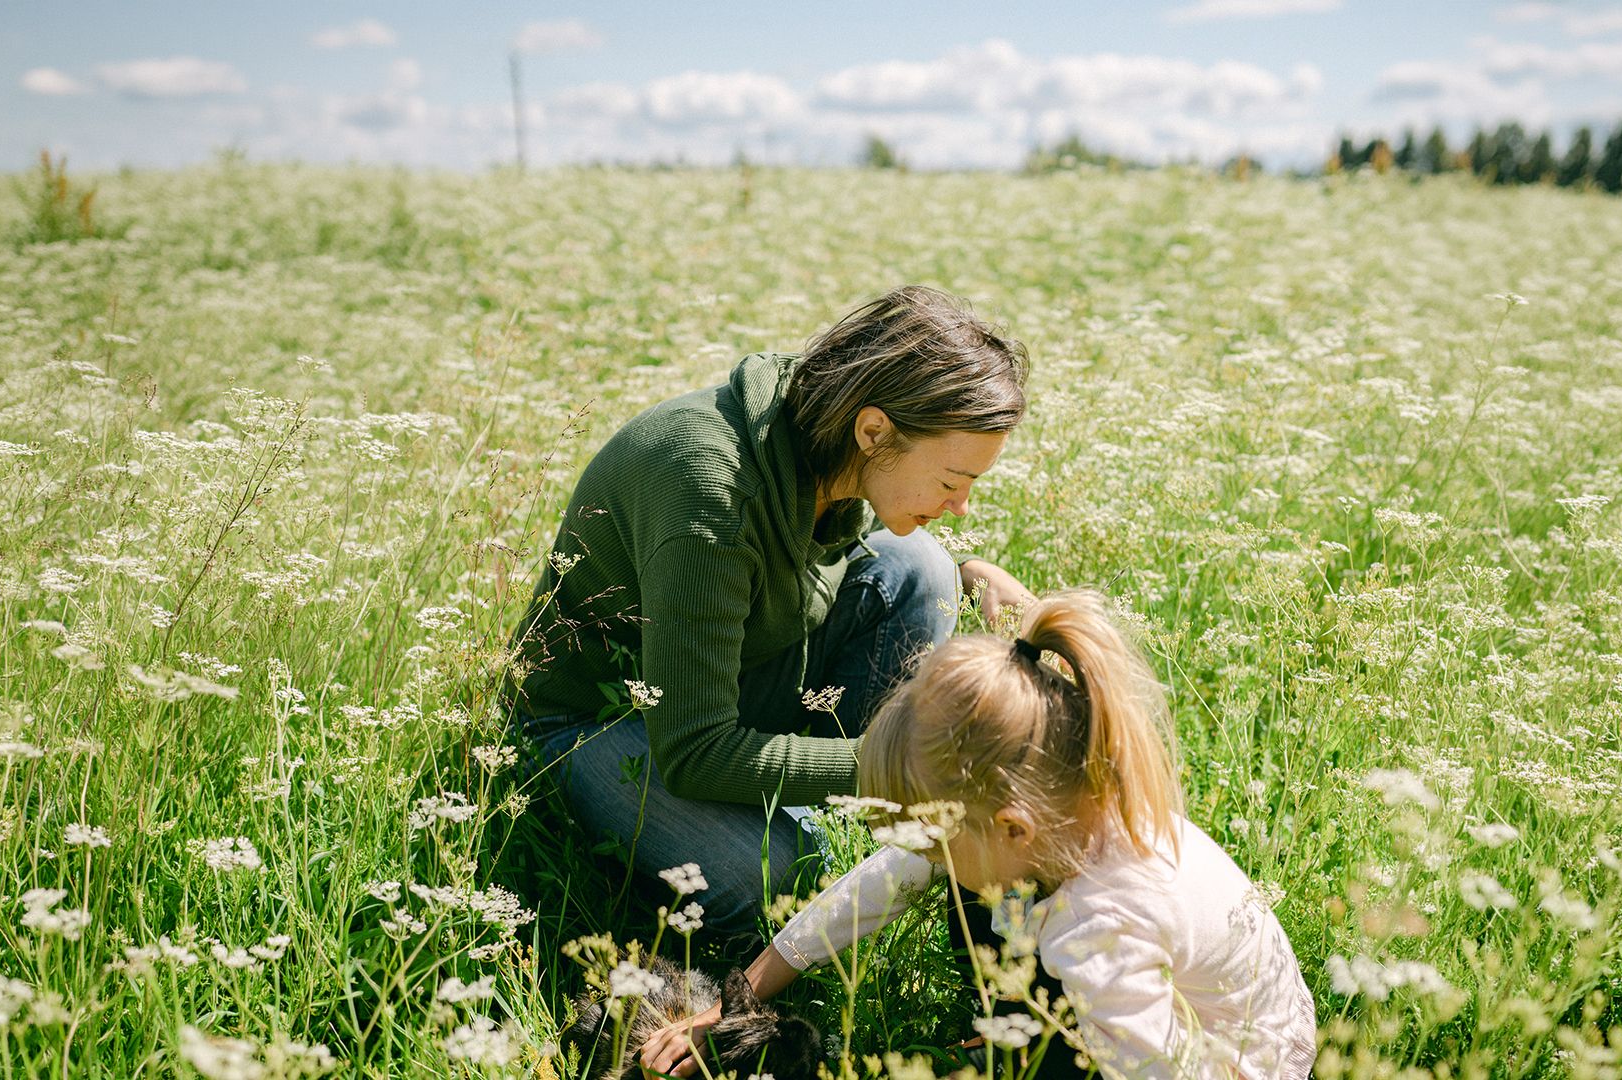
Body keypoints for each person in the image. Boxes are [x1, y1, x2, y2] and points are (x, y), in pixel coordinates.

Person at [508, 285, 1037, 939]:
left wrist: (971, 572)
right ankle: (837, 820)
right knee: (784, 876)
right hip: (598, 722)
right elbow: (694, 752)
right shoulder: (709, 495)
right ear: (874, 431)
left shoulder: (825, 437)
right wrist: (905, 767)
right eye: (953, 482)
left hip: (725, 675)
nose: (961, 506)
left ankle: (855, 816)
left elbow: (872, 542)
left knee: (924, 569)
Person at [639, 590, 1318, 1080]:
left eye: (933, 840)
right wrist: (743, 994)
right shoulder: (1061, 814)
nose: (921, 856)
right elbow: (882, 884)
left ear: (1013, 827)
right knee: (974, 887)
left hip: (1231, 1064)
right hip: (1143, 1013)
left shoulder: (1103, 927)